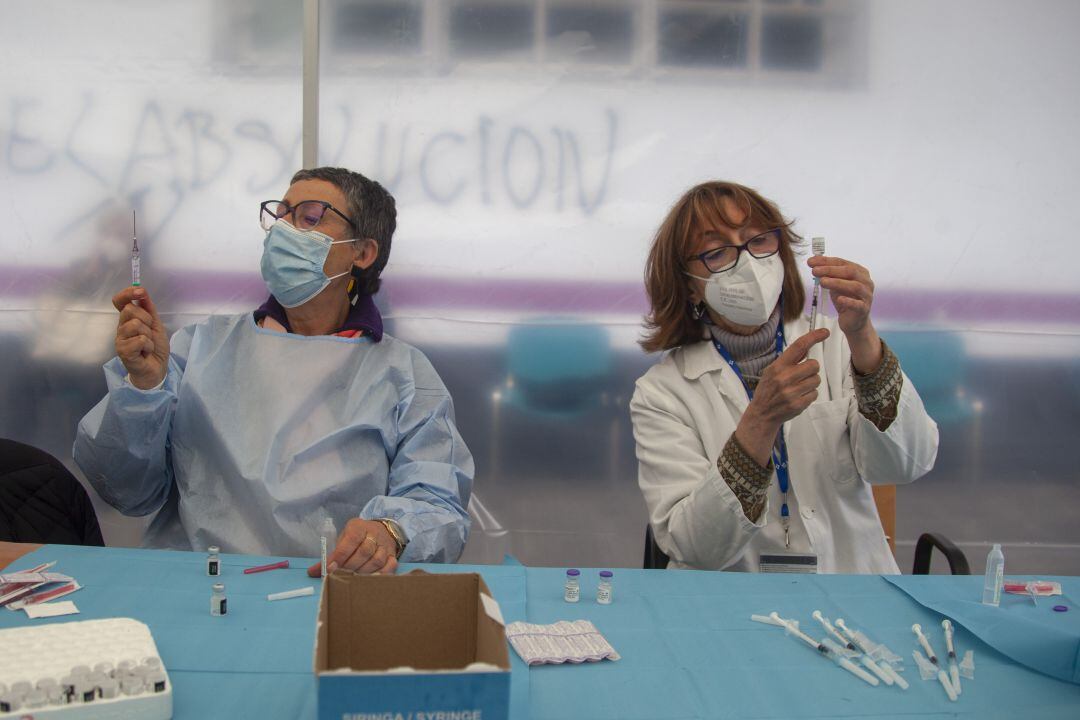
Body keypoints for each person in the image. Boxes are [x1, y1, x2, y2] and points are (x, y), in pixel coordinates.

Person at [74, 167, 473, 576]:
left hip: (332, 588)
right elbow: (125, 490)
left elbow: (437, 503)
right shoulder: (199, 349)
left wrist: (389, 531)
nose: (283, 230)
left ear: (362, 252)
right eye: (280, 215)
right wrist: (144, 387)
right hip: (196, 584)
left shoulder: (402, 373)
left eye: (310, 217)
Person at [631, 181, 938, 573]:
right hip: (732, 607)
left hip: (852, 593)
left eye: (757, 240)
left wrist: (862, 334)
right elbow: (694, 546)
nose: (747, 262)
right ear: (690, 286)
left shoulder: (836, 343)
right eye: (717, 251)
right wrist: (760, 421)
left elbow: (905, 464)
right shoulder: (663, 393)